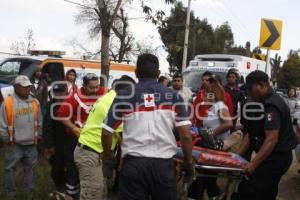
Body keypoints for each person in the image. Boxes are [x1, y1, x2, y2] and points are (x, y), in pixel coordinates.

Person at [101, 53, 194, 200]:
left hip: (133, 166)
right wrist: (188, 163)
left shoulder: (124, 95)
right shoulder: (174, 96)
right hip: (163, 167)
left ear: (136, 72)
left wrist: (108, 158)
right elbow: (186, 135)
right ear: (158, 74)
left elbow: (106, 132)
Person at [232, 70, 298, 200]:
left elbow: (271, 140)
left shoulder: (271, 105)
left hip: (276, 159)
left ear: (261, 85)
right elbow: (250, 134)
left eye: (250, 88)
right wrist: (236, 156)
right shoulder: (260, 103)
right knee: (266, 194)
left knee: (249, 191)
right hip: (270, 157)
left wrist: (253, 164)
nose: (249, 92)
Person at [74, 75, 135, 200]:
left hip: (91, 151)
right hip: (90, 152)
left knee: (100, 193)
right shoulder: (115, 102)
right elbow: (123, 136)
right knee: (92, 196)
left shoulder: (108, 97)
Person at [56, 73, 106, 199]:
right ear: (84, 86)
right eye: (91, 88)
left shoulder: (103, 93)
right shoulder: (75, 96)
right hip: (75, 139)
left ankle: (89, 193)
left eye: (97, 87)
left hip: (95, 141)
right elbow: (61, 115)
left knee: (94, 170)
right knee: (73, 169)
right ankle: (71, 194)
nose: (95, 90)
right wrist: (73, 128)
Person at [189, 80, 233, 200]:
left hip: (214, 147)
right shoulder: (213, 108)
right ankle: (213, 195)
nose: (202, 95)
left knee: (202, 178)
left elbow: (228, 123)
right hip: (210, 146)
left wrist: (209, 134)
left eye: (205, 93)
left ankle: (196, 196)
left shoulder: (219, 105)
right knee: (206, 179)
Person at [0, 75, 42, 199]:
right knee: (10, 169)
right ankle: (10, 194)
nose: (27, 89)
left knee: (30, 170)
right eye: (24, 87)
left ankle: (28, 194)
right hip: (14, 145)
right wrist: (6, 139)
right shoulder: (7, 103)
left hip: (31, 145)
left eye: (29, 86)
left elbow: (39, 121)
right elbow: (2, 124)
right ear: (16, 87)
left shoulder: (35, 102)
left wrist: (38, 136)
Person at [43, 83, 68, 193]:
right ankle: (59, 186)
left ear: (66, 93)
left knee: (69, 165)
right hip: (55, 141)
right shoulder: (50, 105)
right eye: (56, 93)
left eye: (61, 92)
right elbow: (47, 125)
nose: (59, 95)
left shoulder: (70, 103)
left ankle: (69, 186)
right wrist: (49, 144)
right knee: (56, 166)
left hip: (69, 140)